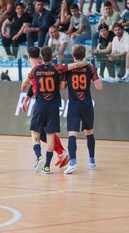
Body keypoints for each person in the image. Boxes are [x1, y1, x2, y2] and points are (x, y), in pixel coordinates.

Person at [21, 46, 88, 174]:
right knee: (50, 135)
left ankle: (39, 156)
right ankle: (47, 166)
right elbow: (72, 66)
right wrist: (85, 63)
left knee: (35, 132)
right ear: (52, 57)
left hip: (40, 105)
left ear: (41, 57)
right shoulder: (57, 68)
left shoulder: (36, 69)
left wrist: (25, 88)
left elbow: (25, 83)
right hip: (53, 106)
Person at [60, 45, 103, 174]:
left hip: (74, 105)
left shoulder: (67, 69)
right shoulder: (90, 67)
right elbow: (99, 87)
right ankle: (91, 161)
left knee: (72, 134)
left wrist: (67, 82)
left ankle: (73, 163)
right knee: (89, 132)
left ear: (73, 55)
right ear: (84, 55)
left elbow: (61, 87)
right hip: (87, 104)